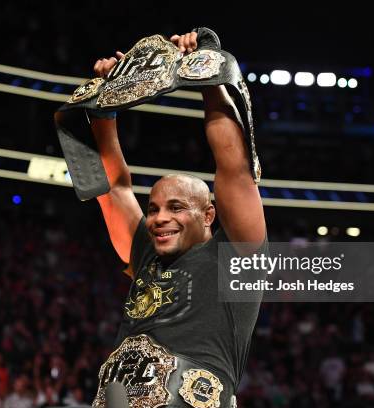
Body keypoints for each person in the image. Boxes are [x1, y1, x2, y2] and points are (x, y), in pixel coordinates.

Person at [89, 31, 266, 407]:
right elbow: (113, 190)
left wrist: (206, 71)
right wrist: (104, 107)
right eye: (153, 209)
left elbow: (233, 168)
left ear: (208, 215)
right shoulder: (146, 254)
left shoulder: (236, 257)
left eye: (176, 207)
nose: (158, 218)